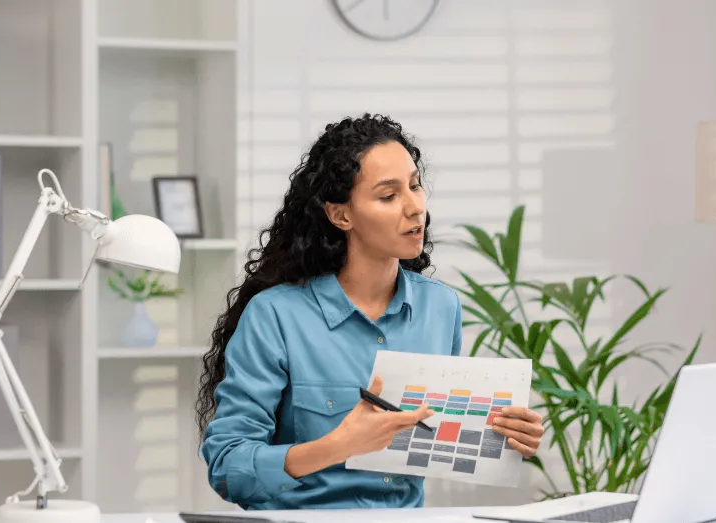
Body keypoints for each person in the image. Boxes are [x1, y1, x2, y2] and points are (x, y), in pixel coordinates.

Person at [196, 113, 545, 511]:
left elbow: (435, 437)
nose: (415, 208)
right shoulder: (275, 315)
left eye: (415, 186)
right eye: (388, 195)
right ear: (340, 215)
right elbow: (229, 467)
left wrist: (504, 438)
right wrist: (336, 447)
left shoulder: (440, 308)